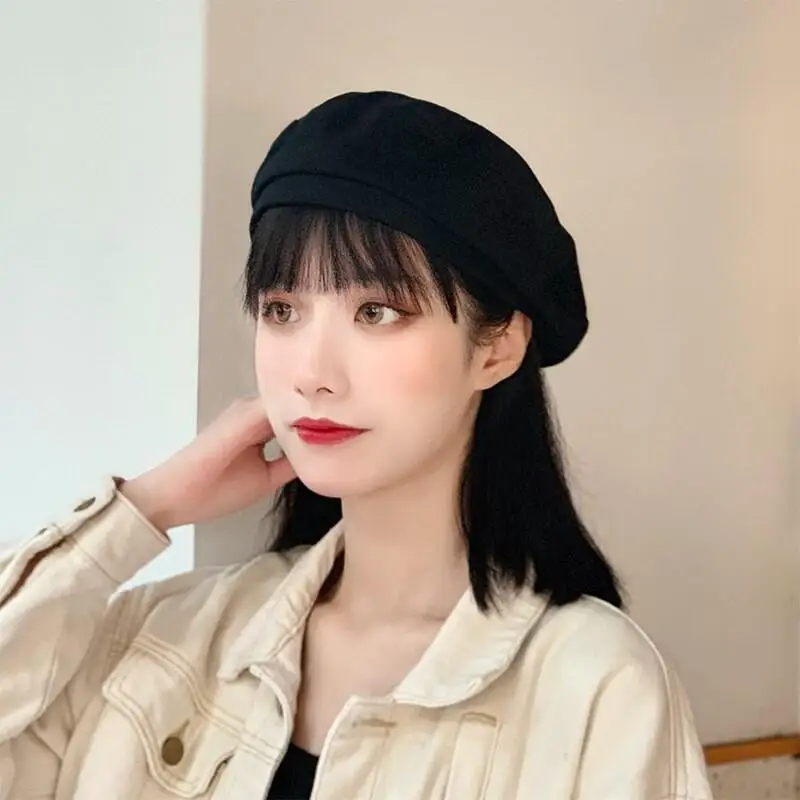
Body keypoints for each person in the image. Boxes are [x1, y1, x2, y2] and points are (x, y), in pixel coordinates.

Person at [0, 91, 712, 799]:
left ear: (496, 348)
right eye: (282, 310)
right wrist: (145, 508)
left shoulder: (598, 691)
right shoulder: (166, 637)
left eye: (376, 312)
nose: (312, 374)